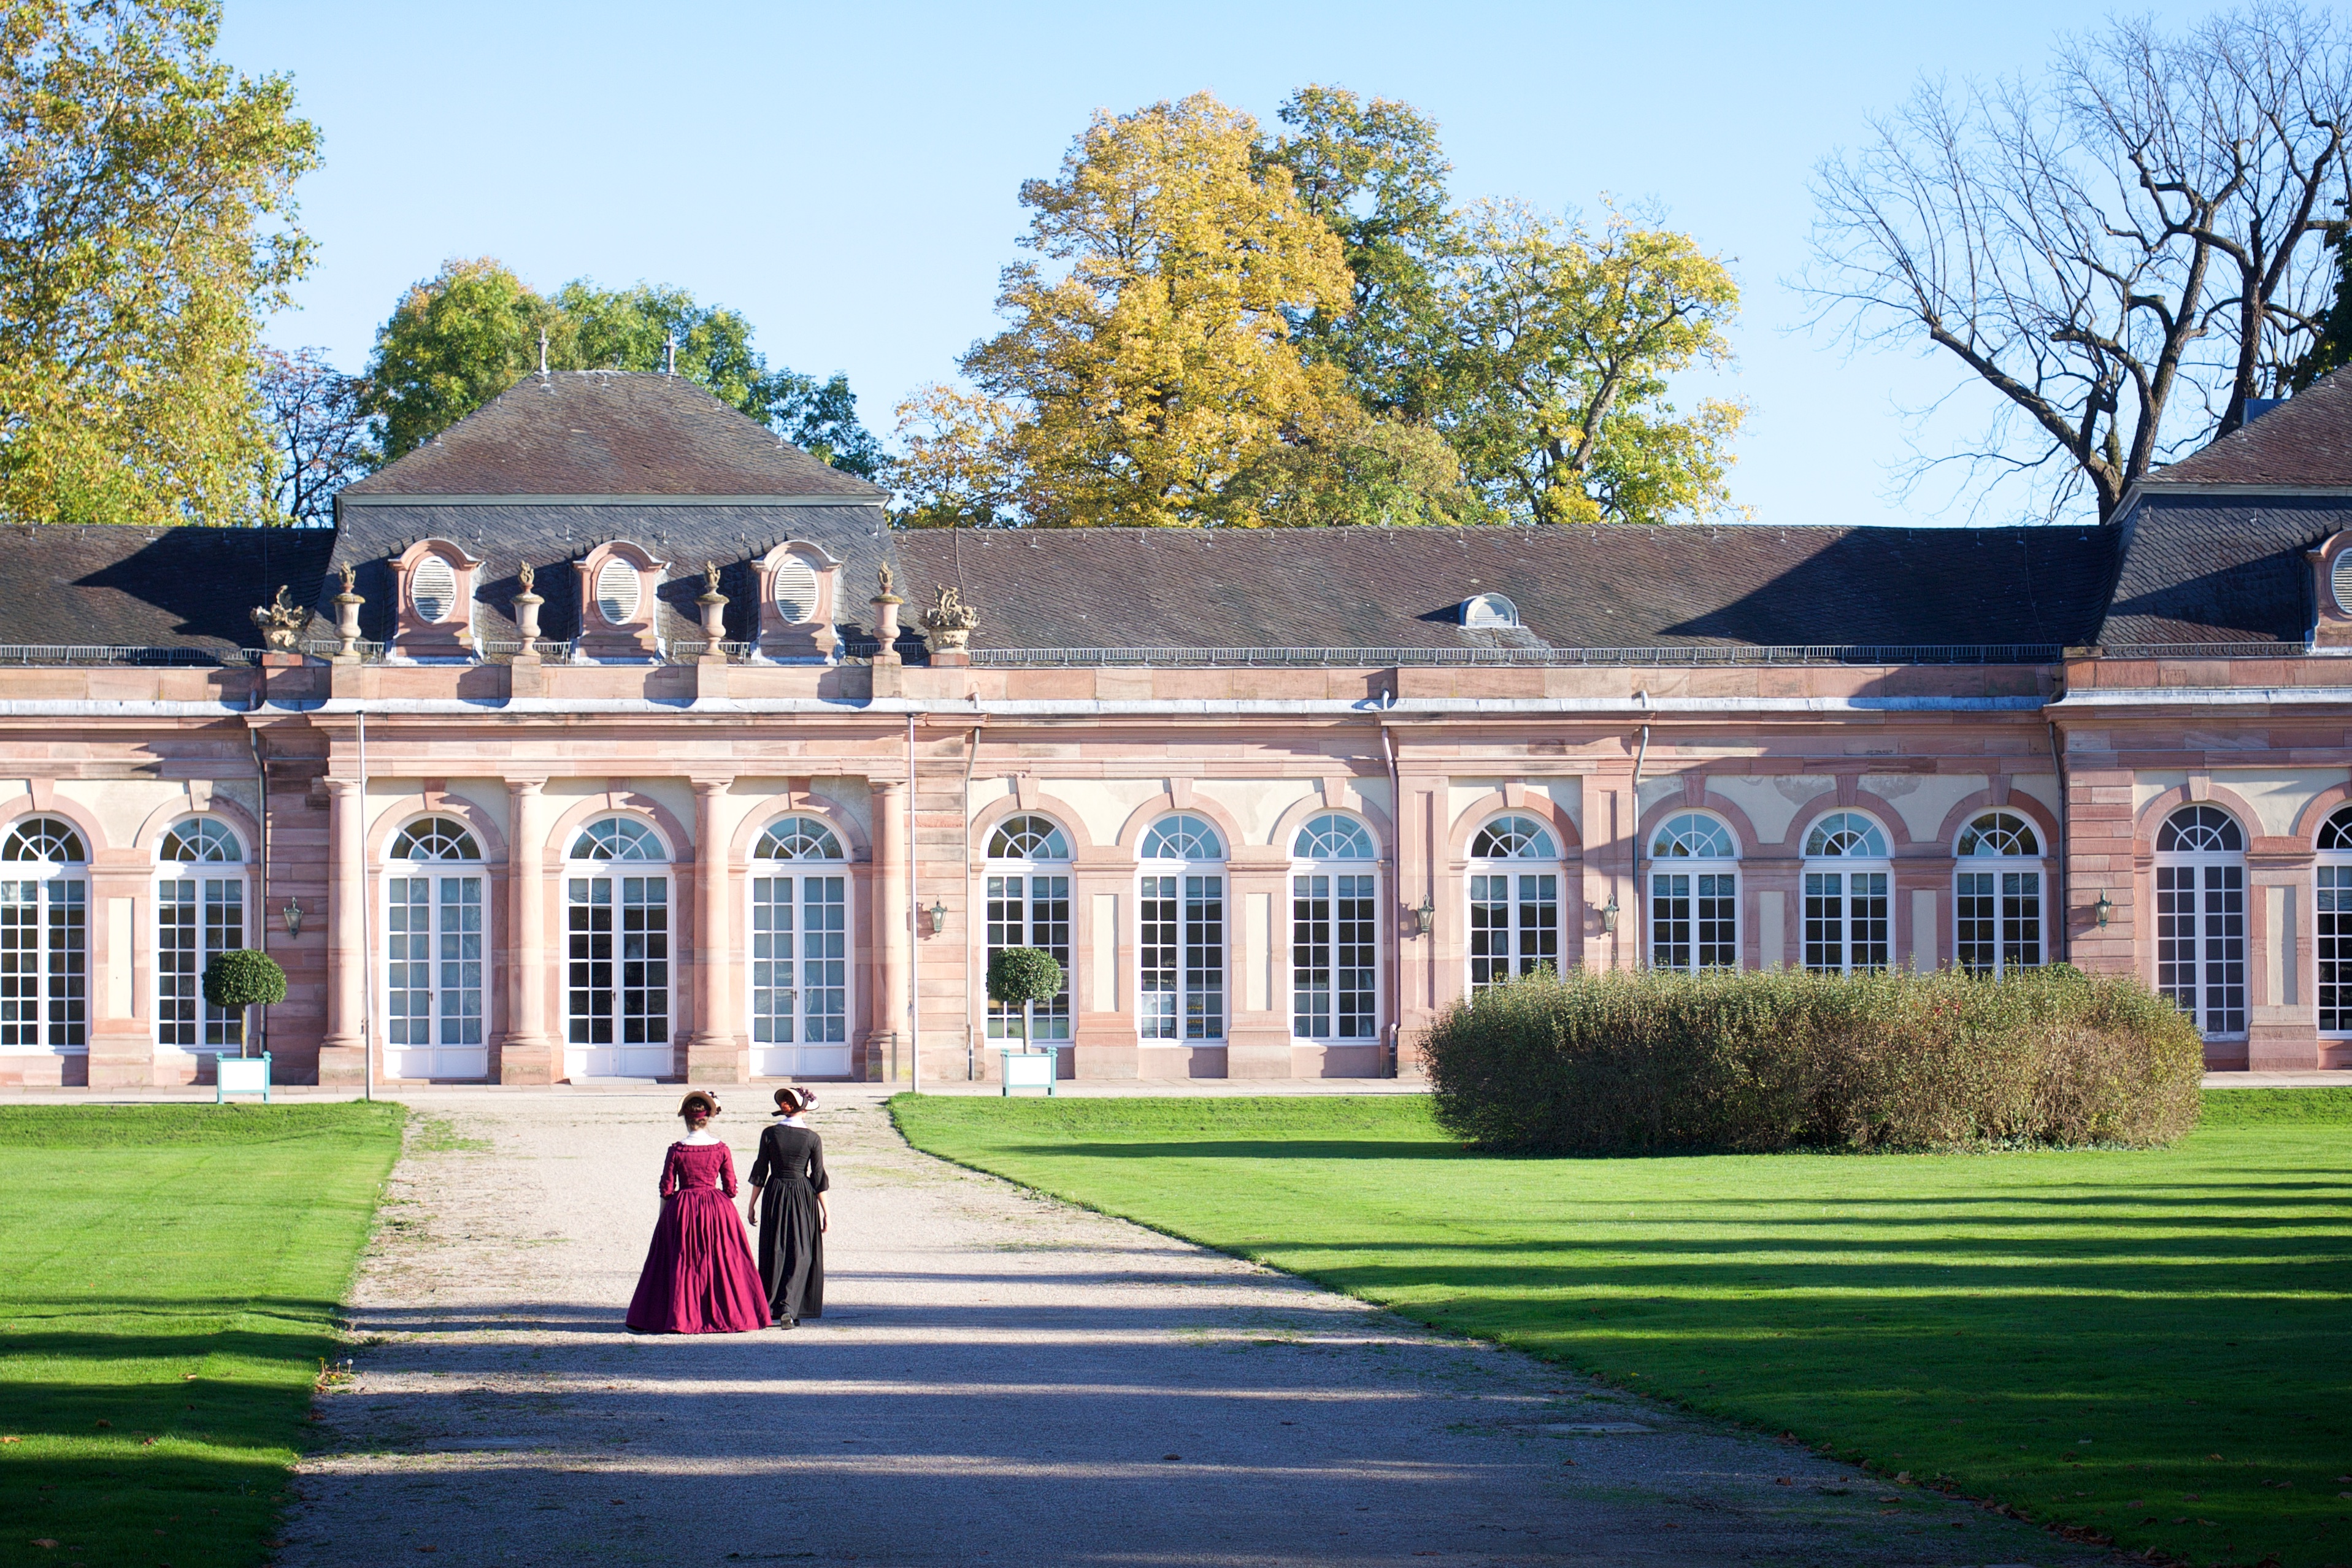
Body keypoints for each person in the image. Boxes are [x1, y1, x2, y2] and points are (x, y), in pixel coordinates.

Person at [624, 1091, 771, 1334]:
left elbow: (667, 1189)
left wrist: (664, 1220)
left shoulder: (677, 1150)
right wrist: (725, 1210)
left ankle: (681, 1316)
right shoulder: (721, 1148)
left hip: (683, 1208)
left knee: (683, 1261)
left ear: (686, 1119)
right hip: (716, 1209)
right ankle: (730, 1313)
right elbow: (731, 1189)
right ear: (708, 1119)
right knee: (722, 1261)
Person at [747, 1086, 828, 1327]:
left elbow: (761, 1171)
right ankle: (789, 1306)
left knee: (775, 1248)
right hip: (802, 1195)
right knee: (802, 1250)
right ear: (804, 1110)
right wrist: (826, 1212)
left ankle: (772, 1306)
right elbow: (818, 1177)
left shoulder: (770, 1134)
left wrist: (752, 1204)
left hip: (775, 1192)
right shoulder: (812, 1138)